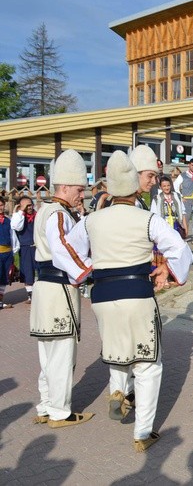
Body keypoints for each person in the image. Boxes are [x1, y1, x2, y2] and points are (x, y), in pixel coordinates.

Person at [63, 150, 193, 453]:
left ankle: (118, 389)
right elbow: (180, 248)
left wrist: (86, 271)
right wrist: (167, 268)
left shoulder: (92, 220)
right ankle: (143, 432)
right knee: (149, 363)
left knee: (118, 348)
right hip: (137, 293)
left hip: (103, 296)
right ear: (135, 185)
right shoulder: (147, 219)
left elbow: (68, 248)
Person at [30, 149, 94, 428]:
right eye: (79, 189)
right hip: (58, 289)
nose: (82, 194)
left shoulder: (47, 210)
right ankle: (59, 412)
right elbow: (63, 249)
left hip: (45, 287)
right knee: (61, 353)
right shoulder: (57, 214)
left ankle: (46, 406)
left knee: (48, 354)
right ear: (65, 187)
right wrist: (89, 271)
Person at [11, 196, 36, 304]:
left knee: (41, 270)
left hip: (38, 246)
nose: (29, 207)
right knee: (27, 271)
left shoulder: (37, 215)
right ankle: (31, 295)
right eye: (26, 205)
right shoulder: (19, 217)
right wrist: (20, 211)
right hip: (25, 246)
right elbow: (17, 226)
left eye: (30, 204)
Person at [173, 158, 193, 243]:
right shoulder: (183, 175)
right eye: (192, 165)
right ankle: (183, 236)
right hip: (186, 200)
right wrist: (181, 197)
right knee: (185, 218)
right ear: (189, 165)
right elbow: (175, 186)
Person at [0, 197, 20, 309]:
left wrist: (13, 251)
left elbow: (13, 237)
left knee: (4, 278)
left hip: (7, 254)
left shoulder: (8, 221)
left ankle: (1, 301)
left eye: (2, 205)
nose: (0, 207)